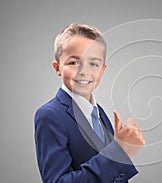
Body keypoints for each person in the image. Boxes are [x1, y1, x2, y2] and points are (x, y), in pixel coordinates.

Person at [34, 23, 145, 183]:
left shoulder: (98, 112)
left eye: (93, 64)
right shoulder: (50, 115)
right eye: (74, 62)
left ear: (102, 70)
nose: (84, 71)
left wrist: (120, 151)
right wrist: (120, 151)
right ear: (57, 67)